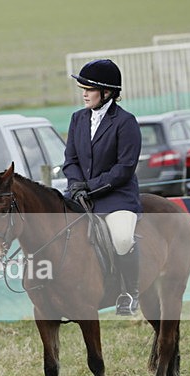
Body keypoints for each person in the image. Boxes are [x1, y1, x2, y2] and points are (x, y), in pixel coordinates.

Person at [62, 59, 142, 316]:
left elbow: (124, 168)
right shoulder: (77, 119)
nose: (83, 93)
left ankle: (130, 293)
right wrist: (75, 185)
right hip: (82, 196)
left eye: (89, 88)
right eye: (82, 88)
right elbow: (70, 160)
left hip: (116, 198)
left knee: (121, 238)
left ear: (107, 92)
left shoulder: (125, 122)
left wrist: (90, 186)